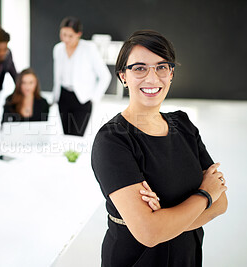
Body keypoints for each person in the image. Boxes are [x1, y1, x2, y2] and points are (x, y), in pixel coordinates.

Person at [91, 30, 228, 266]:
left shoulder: (183, 124)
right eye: (140, 68)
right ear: (123, 76)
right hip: (137, 259)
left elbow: (222, 203)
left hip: (186, 257)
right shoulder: (112, 140)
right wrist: (205, 193)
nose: (152, 78)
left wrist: (163, 219)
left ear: (171, 73)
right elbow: (149, 233)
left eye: (161, 67)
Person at [53, 17, 111, 136]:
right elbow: (57, 76)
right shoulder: (58, 49)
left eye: (70, 36)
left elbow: (105, 76)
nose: (66, 39)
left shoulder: (89, 48)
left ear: (79, 34)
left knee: (76, 137)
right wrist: (55, 97)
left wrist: (94, 98)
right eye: (63, 34)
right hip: (63, 97)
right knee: (66, 136)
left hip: (82, 99)